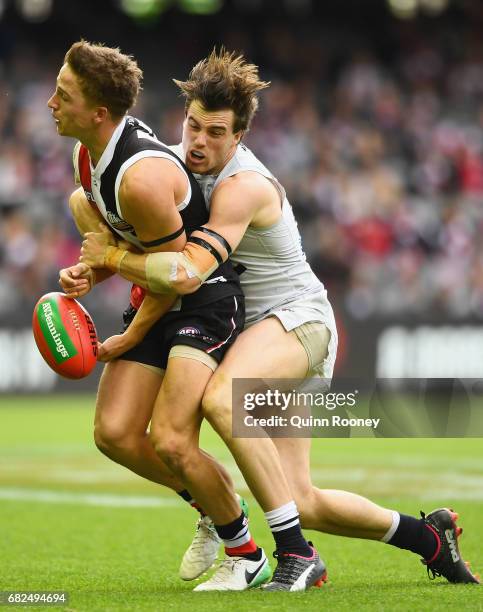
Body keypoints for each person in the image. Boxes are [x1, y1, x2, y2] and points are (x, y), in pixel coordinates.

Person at [80, 48, 480, 591]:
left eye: (216, 133)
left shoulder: (244, 186)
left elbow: (190, 271)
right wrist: (95, 263)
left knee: (224, 398)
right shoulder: (172, 163)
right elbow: (130, 230)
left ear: (239, 137)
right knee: (301, 499)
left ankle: (296, 555)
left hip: (299, 322)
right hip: (255, 332)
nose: (199, 142)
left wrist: (111, 259)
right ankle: (429, 538)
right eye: (193, 125)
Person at [51, 40, 275, 590]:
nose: (51, 103)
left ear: (98, 112)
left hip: (204, 299)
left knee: (171, 440)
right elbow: (124, 249)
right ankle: (211, 502)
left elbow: (178, 271)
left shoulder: (140, 178)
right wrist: (91, 273)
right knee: (115, 434)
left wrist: (129, 335)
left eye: (64, 94)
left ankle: (245, 553)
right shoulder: (86, 155)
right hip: (161, 293)